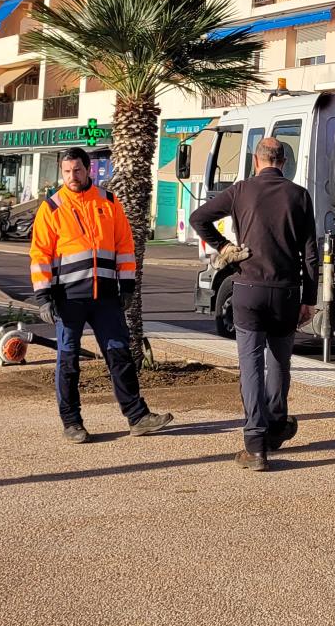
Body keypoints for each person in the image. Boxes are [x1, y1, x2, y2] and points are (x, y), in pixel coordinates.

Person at [190, 136, 318, 472]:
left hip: (247, 289)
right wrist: (310, 299)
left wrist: (224, 247)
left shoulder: (241, 190)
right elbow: (311, 254)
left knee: (250, 366)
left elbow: (199, 218)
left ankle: (256, 445)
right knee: (279, 362)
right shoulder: (299, 195)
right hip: (287, 291)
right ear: (283, 162)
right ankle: (276, 425)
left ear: (255, 160)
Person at [30, 147, 173, 444]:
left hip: (106, 297)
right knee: (68, 361)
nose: (72, 176)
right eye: (67, 171)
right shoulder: (52, 207)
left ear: (89, 170)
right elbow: (40, 254)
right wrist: (43, 297)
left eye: (78, 170)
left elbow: (124, 246)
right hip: (68, 299)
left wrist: (128, 287)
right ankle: (72, 423)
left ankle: (137, 417)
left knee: (119, 354)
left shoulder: (108, 202)